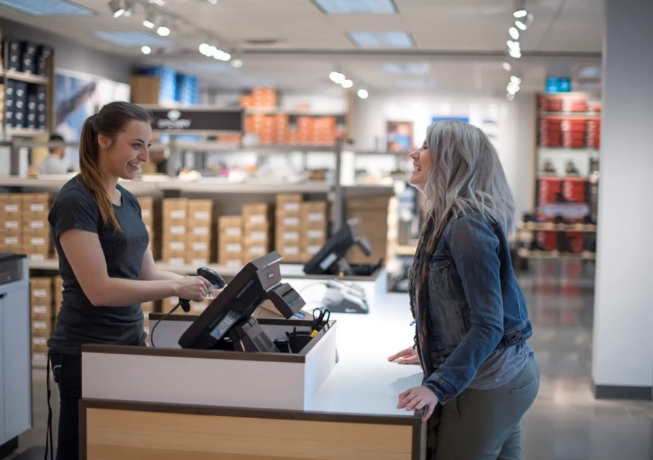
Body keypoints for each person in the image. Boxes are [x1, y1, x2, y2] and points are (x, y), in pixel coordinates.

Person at [46, 102, 213, 460]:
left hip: (128, 342)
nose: (145, 156)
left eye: (148, 145)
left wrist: (201, 285)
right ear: (104, 140)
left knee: (119, 445)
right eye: (136, 145)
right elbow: (100, 289)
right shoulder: (76, 202)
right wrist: (176, 287)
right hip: (85, 350)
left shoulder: (128, 200)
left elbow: (146, 273)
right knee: (81, 449)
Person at [389, 120, 539, 460]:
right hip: (499, 377)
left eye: (426, 147)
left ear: (453, 161)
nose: (414, 153)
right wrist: (434, 348)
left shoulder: (467, 225)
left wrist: (436, 386)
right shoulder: (443, 217)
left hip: (492, 383)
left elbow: (489, 324)